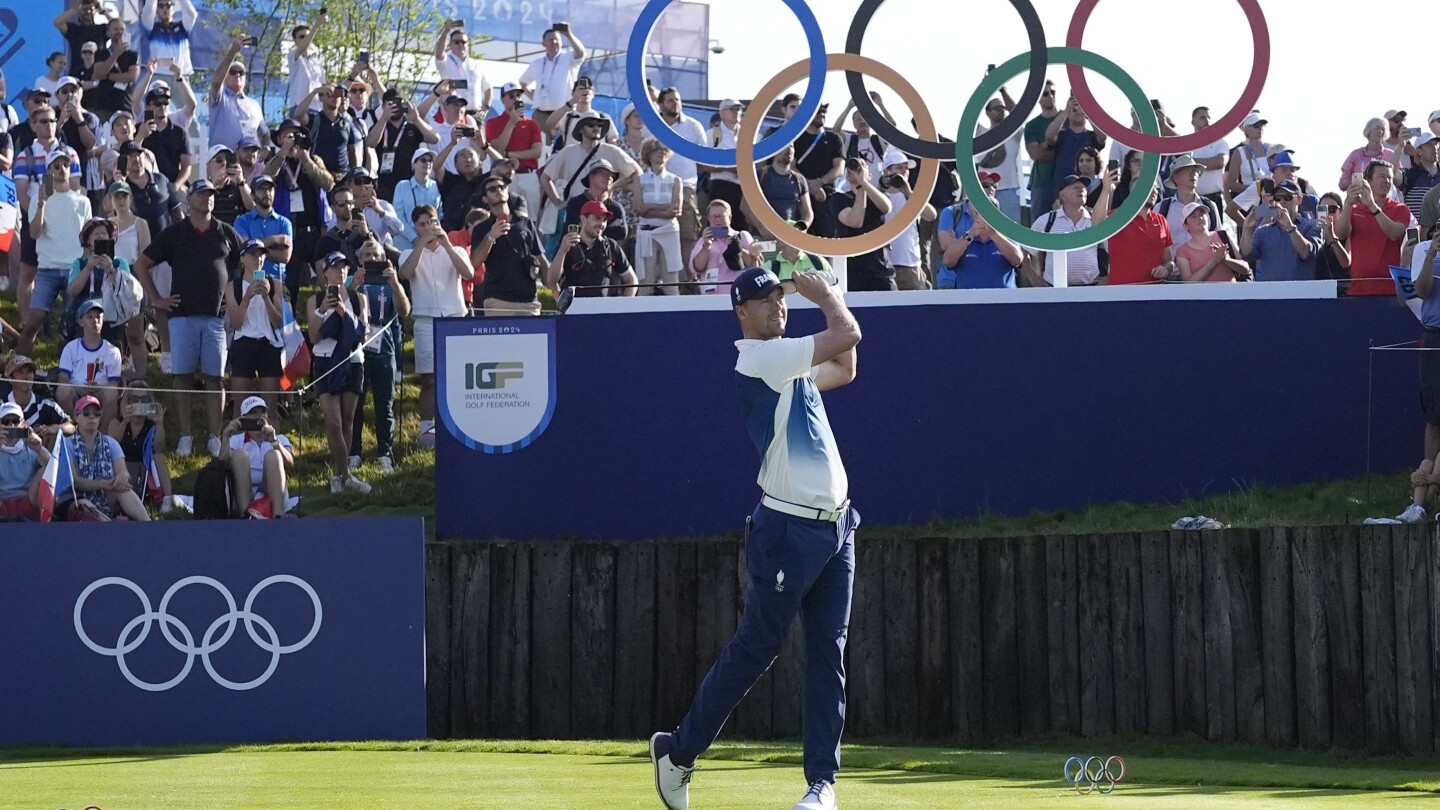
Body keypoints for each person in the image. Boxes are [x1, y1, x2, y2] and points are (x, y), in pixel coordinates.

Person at [651, 266, 861, 810]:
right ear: (741, 312)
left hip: (838, 528)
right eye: (765, 301)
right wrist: (826, 295)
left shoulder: (792, 368)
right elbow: (846, 336)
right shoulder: (760, 358)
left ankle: (821, 786)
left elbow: (845, 366)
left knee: (827, 655)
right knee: (756, 650)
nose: (778, 307)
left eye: (780, 298)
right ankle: (677, 754)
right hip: (787, 530)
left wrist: (824, 300)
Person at [134, 179, 246, 458]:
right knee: (181, 377)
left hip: (215, 319)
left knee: (214, 379)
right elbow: (141, 264)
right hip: (181, 317)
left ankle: (213, 436)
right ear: (189, 199)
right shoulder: (176, 233)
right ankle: (185, 436)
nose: (207, 199)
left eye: (210, 195)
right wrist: (157, 300)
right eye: (201, 194)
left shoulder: (225, 232)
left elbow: (245, 265)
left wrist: (235, 302)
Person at [403, 205, 472, 447]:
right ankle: (427, 431)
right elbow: (405, 273)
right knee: (429, 379)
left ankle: (459, 423)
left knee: (458, 376)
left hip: (455, 317)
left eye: (431, 222)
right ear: (415, 227)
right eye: (422, 224)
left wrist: (447, 246)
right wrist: (422, 243)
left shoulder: (456, 249)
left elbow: (468, 273)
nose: (428, 228)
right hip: (425, 320)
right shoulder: (408, 252)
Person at [309, 251, 371, 495]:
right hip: (325, 361)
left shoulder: (358, 298)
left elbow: (362, 333)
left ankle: (338, 475)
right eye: (335, 268)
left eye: (344, 267)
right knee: (332, 421)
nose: (341, 272)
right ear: (325, 273)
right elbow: (313, 337)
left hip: (352, 360)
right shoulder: (314, 300)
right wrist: (323, 310)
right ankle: (347, 475)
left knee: (347, 419)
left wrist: (344, 312)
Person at [20, 146, 91, 357]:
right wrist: (42, 204)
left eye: (66, 165)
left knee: (75, 324)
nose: (62, 169)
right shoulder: (38, 199)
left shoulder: (82, 201)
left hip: (74, 270)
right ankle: (19, 364)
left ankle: (72, 368)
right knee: (33, 320)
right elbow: (34, 233)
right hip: (48, 269)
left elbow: (89, 238)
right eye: (57, 166)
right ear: (49, 170)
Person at [350, 238, 409, 474]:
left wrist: (394, 282)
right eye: (368, 256)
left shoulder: (390, 282)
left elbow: (405, 311)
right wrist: (354, 285)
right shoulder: (353, 280)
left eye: (377, 255)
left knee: (385, 406)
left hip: (385, 351)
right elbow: (343, 306)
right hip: (358, 352)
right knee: (356, 405)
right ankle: (354, 452)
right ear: (359, 259)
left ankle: (385, 453)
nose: (373, 260)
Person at [224, 239, 285, 417]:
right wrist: (248, 296)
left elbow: (277, 321)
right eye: (253, 254)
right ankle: (234, 443)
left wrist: (266, 298)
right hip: (243, 344)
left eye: (261, 254)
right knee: (239, 406)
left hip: (269, 345)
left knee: (270, 407)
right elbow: (236, 323)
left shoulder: (274, 284)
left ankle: (273, 443)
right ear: (242, 259)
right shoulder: (232, 287)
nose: (258, 258)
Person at [1023, 172, 1116, 287]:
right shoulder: (1046, 221)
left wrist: (1109, 278)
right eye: (1075, 187)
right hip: (1054, 291)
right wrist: (1035, 280)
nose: (1081, 190)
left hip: (1091, 290)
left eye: (1083, 188)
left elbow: (1116, 252)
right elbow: (1024, 252)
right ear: (1062, 195)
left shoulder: (1095, 220)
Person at [68, 393, 150, 520]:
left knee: (123, 489)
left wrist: (122, 478)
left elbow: (123, 472)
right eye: (86, 413)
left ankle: (148, 526)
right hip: (77, 498)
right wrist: (104, 484)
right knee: (84, 506)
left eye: (97, 413)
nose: (92, 417)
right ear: (76, 416)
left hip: (108, 494)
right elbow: (75, 482)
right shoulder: (67, 444)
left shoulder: (110, 442)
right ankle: (110, 529)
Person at [470, 178, 546, 312]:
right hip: (498, 301)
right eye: (492, 189)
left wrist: (554, 286)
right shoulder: (482, 228)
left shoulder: (526, 223)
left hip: (529, 301)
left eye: (502, 187)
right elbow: (476, 261)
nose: (498, 190)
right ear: (485, 199)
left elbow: (540, 257)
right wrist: (491, 236)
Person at [1335, 159, 1409, 296]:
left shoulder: (1400, 209)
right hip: (1358, 290)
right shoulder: (1355, 210)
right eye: (1382, 177)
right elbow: (1340, 234)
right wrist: (1348, 205)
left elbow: (1395, 233)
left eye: (1389, 178)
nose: (1387, 181)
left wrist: (1372, 206)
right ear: (1368, 181)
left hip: (1390, 290)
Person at [107, 381, 181, 513]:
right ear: (127, 401)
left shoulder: (151, 425)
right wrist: (125, 421)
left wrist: (159, 423)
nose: (139, 403)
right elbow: (112, 444)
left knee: (159, 457)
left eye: (144, 400)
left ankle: (168, 499)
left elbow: (158, 447)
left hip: (146, 474)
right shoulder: (117, 422)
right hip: (122, 471)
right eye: (135, 399)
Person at [66, 218, 138, 351]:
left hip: (112, 321)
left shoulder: (119, 263)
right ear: (88, 241)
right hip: (86, 320)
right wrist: (88, 268)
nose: (100, 236)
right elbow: (72, 291)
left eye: (103, 234)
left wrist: (111, 270)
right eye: (96, 234)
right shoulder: (80, 264)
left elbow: (128, 292)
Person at [223, 396, 295, 518]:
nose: (259, 416)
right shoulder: (236, 440)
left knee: (274, 456)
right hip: (242, 491)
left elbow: (290, 463)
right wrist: (225, 436)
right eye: (253, 413)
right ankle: (245, 515)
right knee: (240, 455)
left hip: (272, 490)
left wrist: (274, 442)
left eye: (263, 411)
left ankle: (278, 516)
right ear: (243, 418)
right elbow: (222, 464)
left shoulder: (280, 439)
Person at [549, 200, 637, 297]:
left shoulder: (610, 245)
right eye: (597, 218)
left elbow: (631, 280)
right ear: (583, 219)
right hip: (576, 308)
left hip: (604, 309)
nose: (601, 224)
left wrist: (623, 307)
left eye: (604, 220)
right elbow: (552, 281)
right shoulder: (568, 244)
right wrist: (563, 251)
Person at [830, 156, 894, 291]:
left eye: (863, 166)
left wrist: (863, 183)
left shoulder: (877, 197)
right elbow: (855, 221)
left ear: (869, 175)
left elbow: (886, 207)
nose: (856, 170)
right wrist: (861, 187)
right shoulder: (839, 199)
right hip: (854, 272)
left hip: (880, 269)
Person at [1239, 179, 1323, 281]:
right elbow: (1247, 255)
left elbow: (1308, 254)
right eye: (1278, 197)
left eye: (1288, 197)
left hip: (1302, 294)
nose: (1282, 201)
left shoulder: (1312, 225)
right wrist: (1247, 229)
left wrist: (1290, 227)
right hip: (1271, 294)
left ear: (1299, 200)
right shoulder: (1263, 231)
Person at [367, 89, 441, 201]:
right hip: (386, 186)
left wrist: (416, 119)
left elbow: (435, 138)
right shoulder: (381, 126)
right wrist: (383, 118)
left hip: (410, 184)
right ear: (383, 106)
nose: (395, 106)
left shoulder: (412, 126)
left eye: (398, 102)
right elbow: (370, 143)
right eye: (391, 103)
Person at [631, 137, 683, 294]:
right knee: (645, 280)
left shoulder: (675, 180)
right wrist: (663, 210)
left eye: (664, 150)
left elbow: (676, 210)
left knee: (671, 281)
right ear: (649, 154)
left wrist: (649, 207)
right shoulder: (640, 180)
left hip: (669, 231)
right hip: (647, 231)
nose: (661, 153)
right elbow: (639, 208)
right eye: (657, 150)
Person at [485, 82, 545, 216]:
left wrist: (509, 154)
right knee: (504, 215)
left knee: (530, 217)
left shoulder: (531, 124)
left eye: (518, 95)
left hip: (528, 175)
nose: (516, 99)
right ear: (502, 100)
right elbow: (498, 149)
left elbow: (537, 151)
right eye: (511, 96)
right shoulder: (493, 122)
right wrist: (511, 123)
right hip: (504, 177)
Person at [518, 22, 587, 137]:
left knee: (563, 146)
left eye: (557, 39)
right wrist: (533, 97)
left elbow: (581, 54)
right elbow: (523, 82)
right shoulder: (537, 63)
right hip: (541, 115)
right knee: (540, 147)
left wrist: (569, 34)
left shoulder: (568, 58)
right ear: (543, 43)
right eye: (550, 40)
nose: (554, 42)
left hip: (564, 114)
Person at [879, 151, 935, 290]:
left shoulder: (911, 196)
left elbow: (931, 215)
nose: (904, 172)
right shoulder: (879, 196)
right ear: (887, 171)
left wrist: (908, 192)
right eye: (899, 168)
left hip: (911, 264)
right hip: (885, 265)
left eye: (906, 168)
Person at [936, 207, 1025, 289]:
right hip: (968, 301)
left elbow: (1018, 260)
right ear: (975, 217)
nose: (986, 218)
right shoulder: (966, 240)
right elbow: (947, 261)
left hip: (1004, 300)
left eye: (991, 214)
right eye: (982, 214)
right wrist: (970, 234)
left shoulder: (1007, 238)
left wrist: (993, 234)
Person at [206, 39, 269, 151]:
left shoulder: (254, 104)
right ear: (226, 76)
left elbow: (264, 131)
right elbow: (216, 82)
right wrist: (233, 51)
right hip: (223, 161)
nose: (237, 75)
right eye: (233, 72)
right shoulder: (220, 98)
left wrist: (266, 148)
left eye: (241, 73)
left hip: (248, 162)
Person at [1104, 185, 1174, 286]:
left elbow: (1169, 260)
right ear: (1134, 192)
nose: (1154, 191)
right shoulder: (1119, 215)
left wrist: (1166, 269)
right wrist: (1106, 190)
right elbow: (1097, 224)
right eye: (1149, 186)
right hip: (1120, 293)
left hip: (1153, 292)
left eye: (1156, 188)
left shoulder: (1161, 220)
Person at [233, 174, 294, 284]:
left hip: (278, 282)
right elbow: (245, 251)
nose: (267, 193)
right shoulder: (242, 221)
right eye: (261, 189)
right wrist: (274, 239)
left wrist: (256, 251)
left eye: (270, 189)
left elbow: (285, 257)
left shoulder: (284, 222)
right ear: (252, 195)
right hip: (249, 282)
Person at [691, 200, 762, 294]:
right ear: (708, 219)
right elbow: (696, 269)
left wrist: (737, 246)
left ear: (730, 217)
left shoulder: (742, 236)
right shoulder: (703, 240)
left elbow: (756, 264)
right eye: (713, 217)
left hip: (739, 295)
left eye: (721, 216)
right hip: (710, 297)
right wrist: (706, 246)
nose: (717, 220)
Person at [3, 355, 73, 443]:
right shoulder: (2, 404)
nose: (26, 376)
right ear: (10, 379)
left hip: (39, 453)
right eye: (20, 372)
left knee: (52, 435)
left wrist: (53, 428)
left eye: (29, 372)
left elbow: (72, 426)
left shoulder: (46, 404)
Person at [1175, 202, 1249, 283]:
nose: (1200, 218)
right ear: (1186, 226)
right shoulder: (1182, 251)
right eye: (1193, 217)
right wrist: (1213, 261)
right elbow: (1188, 283)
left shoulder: (1223, 236)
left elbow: (1245, 268)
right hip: (1203, 295)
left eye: (1202, 214)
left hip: (1230, 293)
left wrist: (1227, 260)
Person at [0, 402, 48, 521]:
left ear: (23, 423)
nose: (11, 425)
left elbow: (55, 469)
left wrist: (40, 449)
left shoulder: (32, 445)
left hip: (29, 500)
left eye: (15, 421)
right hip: (2, 503)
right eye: (6, 421)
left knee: (45, 469)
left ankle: (46, 522)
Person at [1022, 81, 1062, 219]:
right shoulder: (1032, 125)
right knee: (1039, 231)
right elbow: (1036, 154)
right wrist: (1061, 149)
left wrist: (1045, 145)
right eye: (1045, 93)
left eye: (1053, 92)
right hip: (1042, 183)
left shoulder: (1068, 118)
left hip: (1068, 182)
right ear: (1038, 98)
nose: (1050, 96)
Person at [433, 22, 493, 115]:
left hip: (475, 113)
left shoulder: (475, 64)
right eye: (457, 42)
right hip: (453, 113)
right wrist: (446, 31)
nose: (461, 44)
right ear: (450, 45)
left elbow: (488, 87)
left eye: (464, 42)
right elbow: (439, 53)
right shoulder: (446, 62)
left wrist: (486, 106)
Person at [392, 147, 442, 251]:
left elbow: (440, 214)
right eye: (423, 160)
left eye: (430, 160)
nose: (427, 163)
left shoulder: (436, 186)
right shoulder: (402, 186)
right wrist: (414, 238)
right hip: (405, 243)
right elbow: (398, 216)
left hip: (430, 243)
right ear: (413, 165)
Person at [285, 12, 328, 118]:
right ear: (295, 41)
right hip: (299, 108)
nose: (306, 39)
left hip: (317, 109)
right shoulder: (293, 56)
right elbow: (303, 48)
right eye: (301, 36)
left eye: (307, 36)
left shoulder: (317, 62)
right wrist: (316, 25)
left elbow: (323, 86)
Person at [140, 0, 199, 76]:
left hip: (181, 74)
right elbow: (147, 12)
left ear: (173, 8)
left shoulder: (183, 27)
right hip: (159, 75)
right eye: (161, 6)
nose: (165, 8)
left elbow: (191, 14)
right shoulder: (152, 28)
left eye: (168, 5)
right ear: (156, 10)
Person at [53, 0, 108, 76]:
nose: (88, 12)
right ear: (79, 11)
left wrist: (102, 10)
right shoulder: (73, 29)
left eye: (91, 9)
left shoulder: (102, 29)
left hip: (99, 75)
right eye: (85, 9)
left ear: (95, 11)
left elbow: (118, 25)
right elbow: (57, 22)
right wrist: (74, 9)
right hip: (77, 74)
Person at [1339, 118, 1395, 192]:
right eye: (1377, 128)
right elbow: (1343, 185)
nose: (1380, 131)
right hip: (1359, 200)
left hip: (1384, 199)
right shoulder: (1356, 155)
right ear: (1369, 130)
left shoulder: (1390, 155)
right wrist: (1359, 180)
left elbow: (1398, 180)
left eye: (1383, 129)